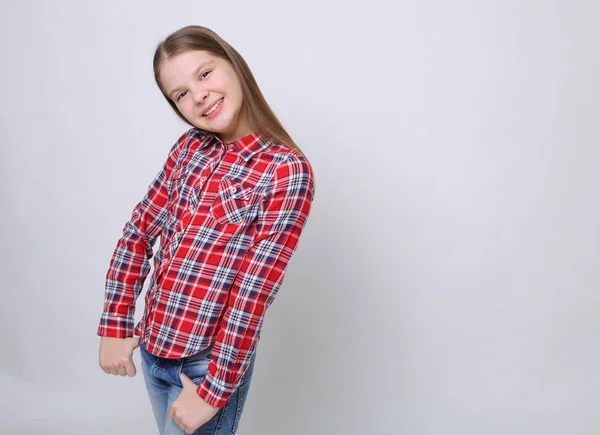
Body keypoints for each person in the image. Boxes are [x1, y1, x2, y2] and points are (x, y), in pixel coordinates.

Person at [97, 25, 315, 435]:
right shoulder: (188, 149)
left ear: (233, 64)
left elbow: (251, 295)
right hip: (153, 349)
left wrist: (213, 391)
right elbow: (138, 232)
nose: (197, 95)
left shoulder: (285, 171)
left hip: (206, 366)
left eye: (204, 74)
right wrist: (116, 322)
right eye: (180, 94)